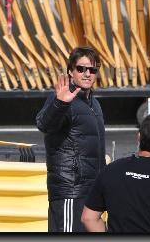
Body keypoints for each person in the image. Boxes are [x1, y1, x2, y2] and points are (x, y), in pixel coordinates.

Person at [36, 46, 106, 232]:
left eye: (92, 70)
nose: (87, 74)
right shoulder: (62, 99)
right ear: (70, 71)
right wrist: (59, 104)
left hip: (91, 192)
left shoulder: (94, 104)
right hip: (70, 191)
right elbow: (44, 125)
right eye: (81, 69)